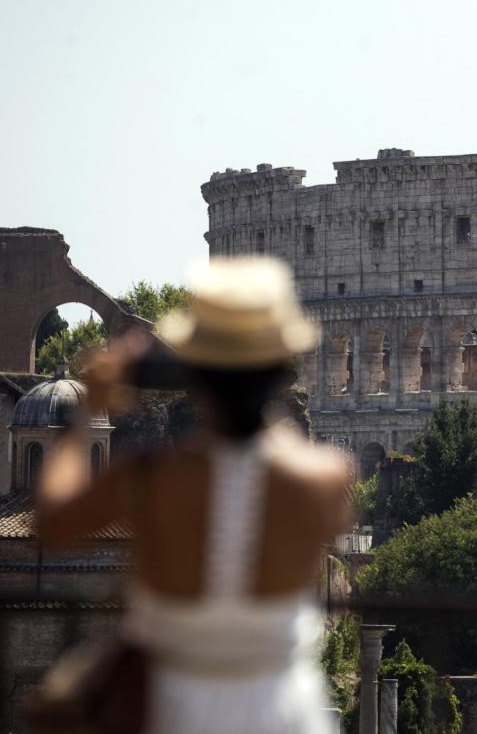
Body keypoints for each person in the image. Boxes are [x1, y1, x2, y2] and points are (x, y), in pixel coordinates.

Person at [36, 256, 351, 734]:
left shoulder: (150, 477)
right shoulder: (325, 478)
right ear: (279, 368)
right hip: (280, 709)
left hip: (170, 704)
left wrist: (88, 414)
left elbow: (52, 523)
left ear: (193, 374)